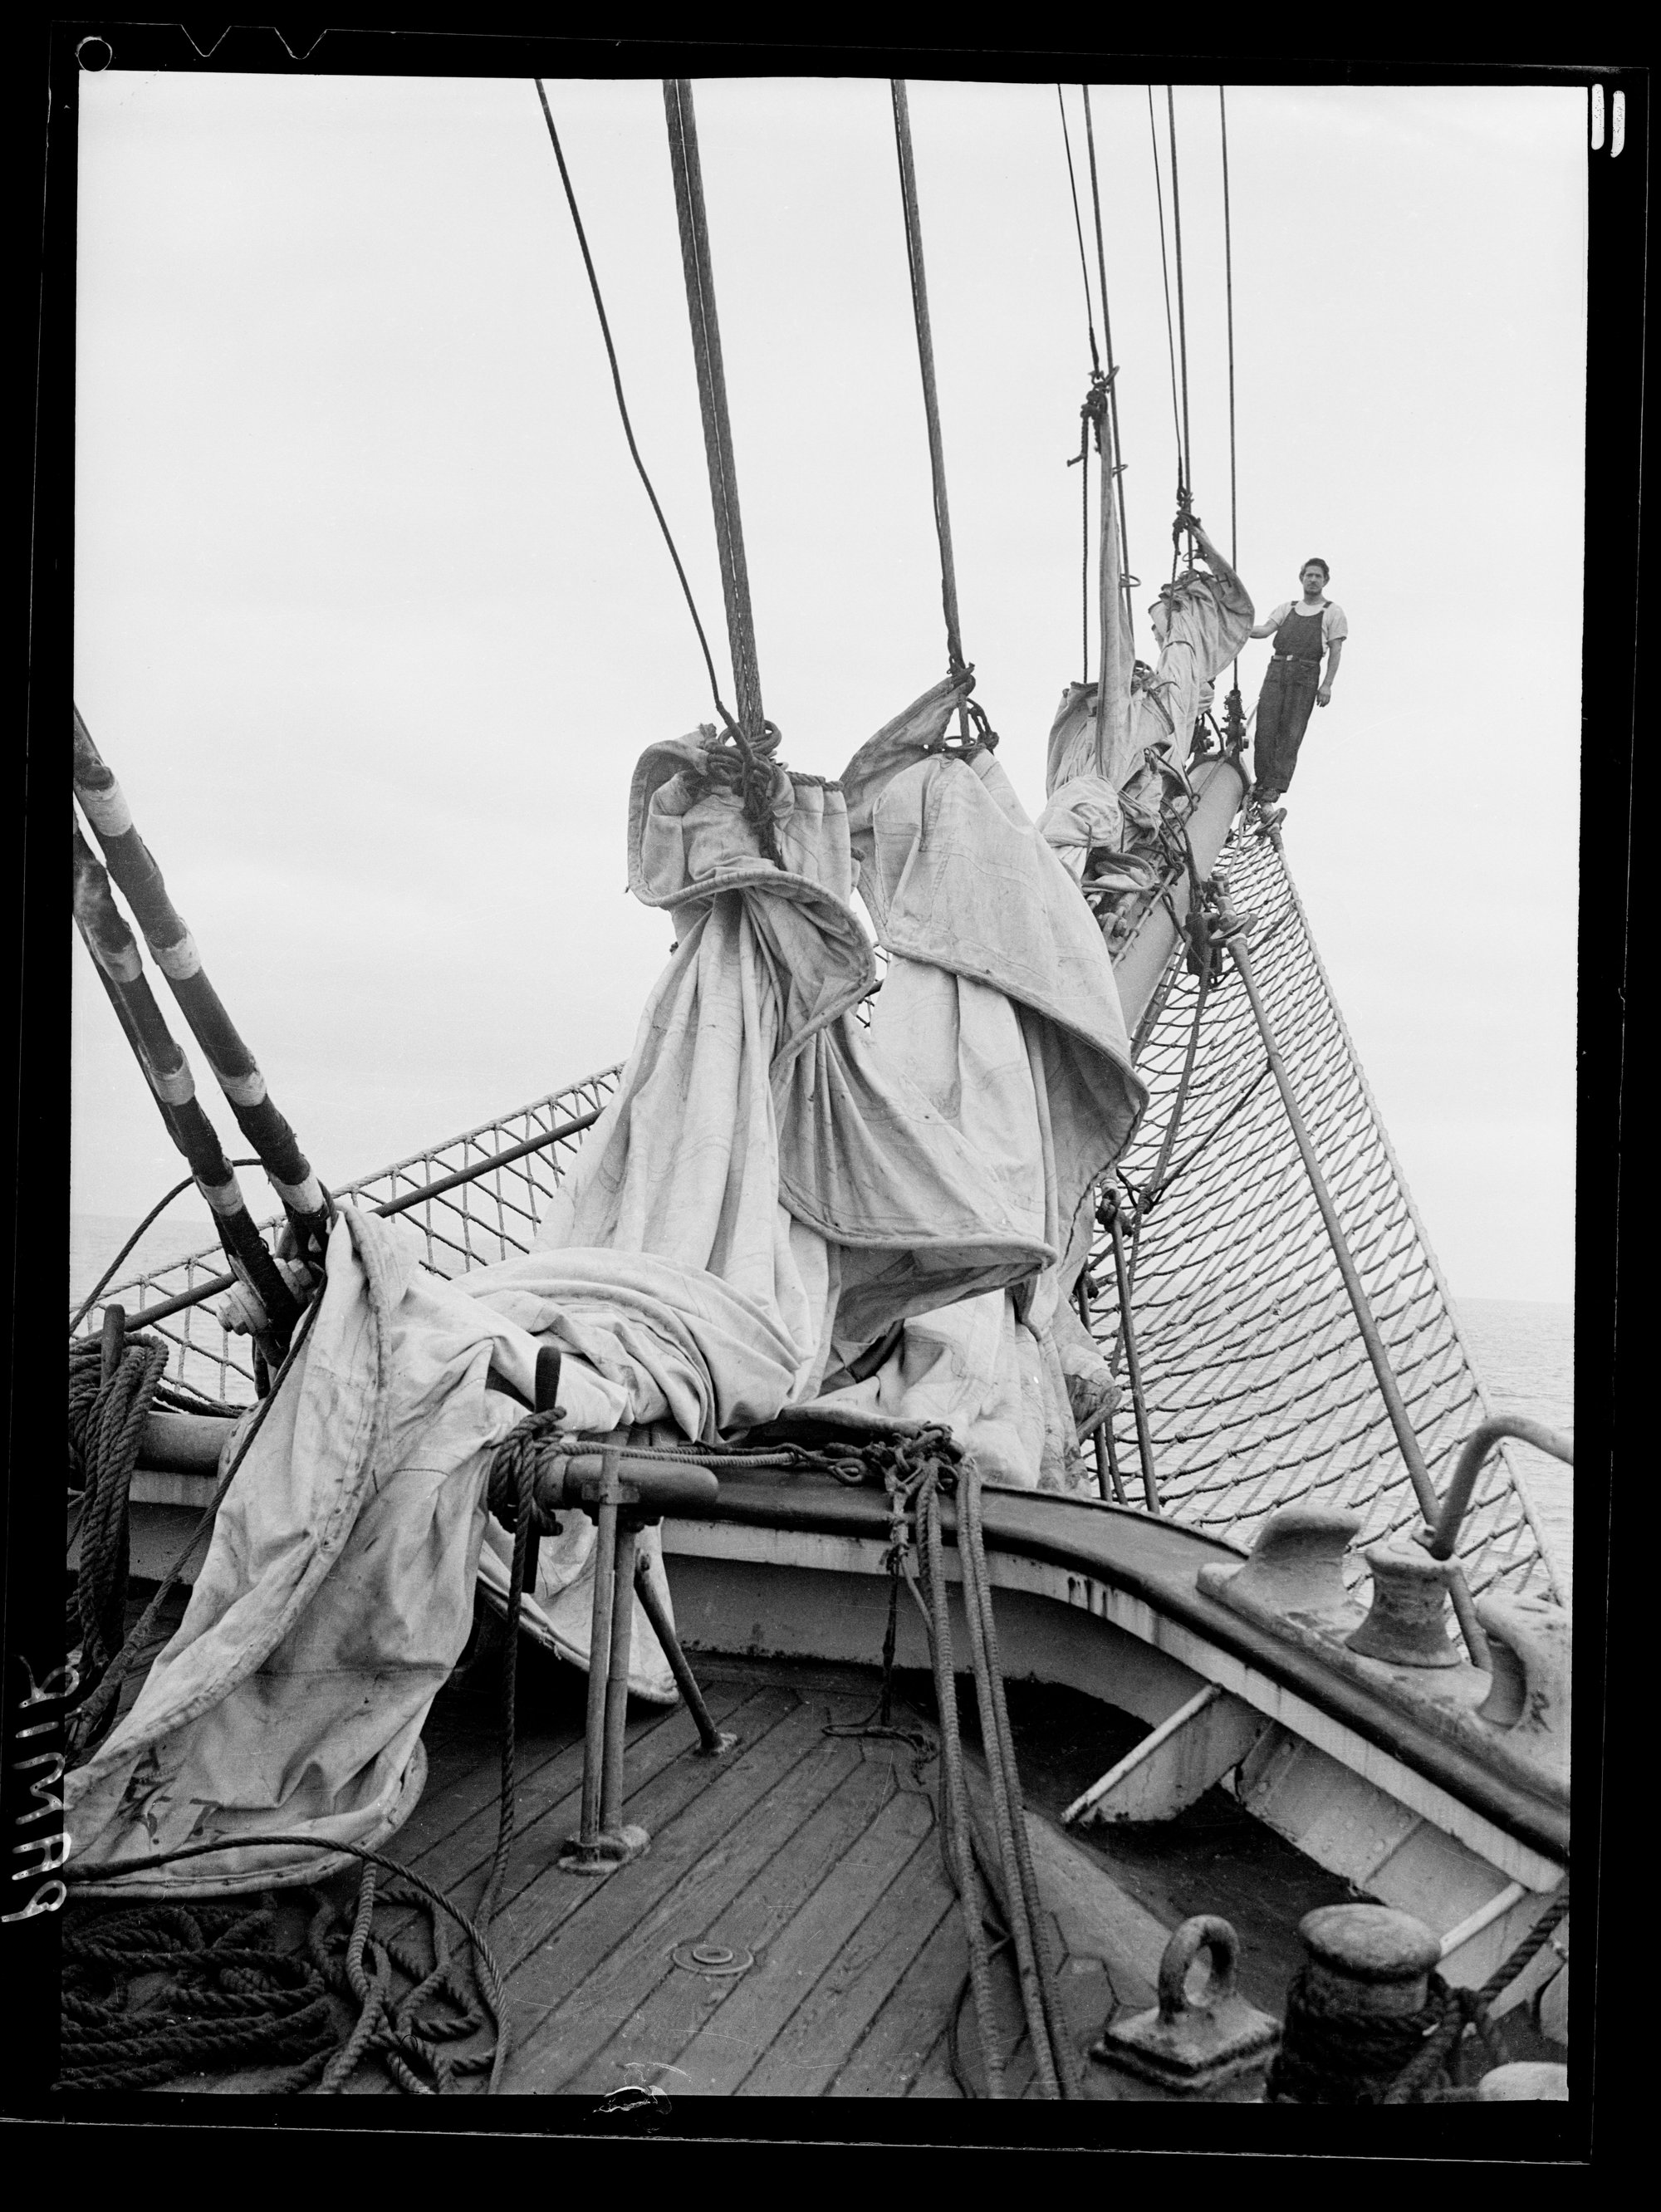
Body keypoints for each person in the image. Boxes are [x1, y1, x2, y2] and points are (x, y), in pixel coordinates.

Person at [1247, 558, 1347, 812]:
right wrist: (1236, 626)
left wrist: (1327, 685)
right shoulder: (1287, 608)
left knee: (1291, 731)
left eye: (1318, 576)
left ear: (1325, 580)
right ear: (1301, 578)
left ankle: (1275, 784)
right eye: (1309, 575)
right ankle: (1261, 781)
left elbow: (1335, 651)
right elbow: (1263, 631)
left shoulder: (1332, 612)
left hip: (1306, 672)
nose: (1313, 580)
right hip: (1277, 669)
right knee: (1265, 726)